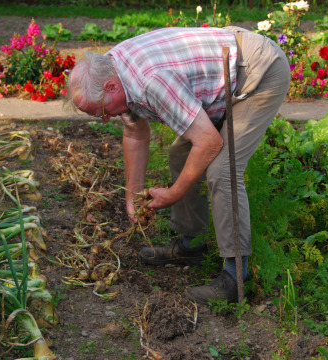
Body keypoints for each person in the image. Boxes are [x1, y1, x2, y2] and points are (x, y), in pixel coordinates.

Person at [66, 26, 290, 305]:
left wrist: (173, 193)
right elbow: (135, 133)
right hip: (223, 75)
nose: (103, 119)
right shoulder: (109, 70)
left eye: (100, 111)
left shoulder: (150, 83)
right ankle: (192, 246)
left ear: (111, 87)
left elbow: (209, 143)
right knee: (180, 155)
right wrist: (132, 197)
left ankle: (235, 278)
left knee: (222, 170)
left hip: (257, 73)